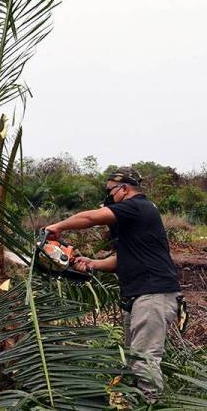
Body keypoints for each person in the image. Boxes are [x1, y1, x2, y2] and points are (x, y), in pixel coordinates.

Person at [45, 166, 181, 403]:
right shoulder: (135, 217)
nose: (108, 196)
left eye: (110, 190)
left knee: (144, 360)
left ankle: (155, 405)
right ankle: (141, 403)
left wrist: (56, 227)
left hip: (153, 293)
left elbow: (89, 218)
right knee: (135, 359)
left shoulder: (137, 206)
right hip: (143, 295)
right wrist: (93, 263)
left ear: (124, 189)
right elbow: (123, 258)